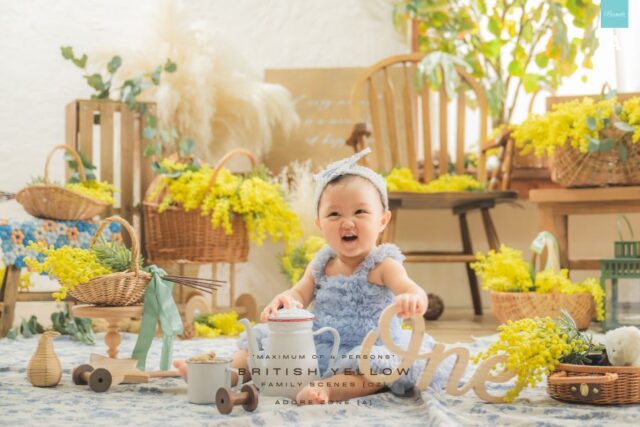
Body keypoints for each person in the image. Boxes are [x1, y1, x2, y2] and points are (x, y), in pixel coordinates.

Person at [174, 147, 452, 403]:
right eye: (334, 214)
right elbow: (299, 292)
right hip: (319, 342)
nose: (347, 222)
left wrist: (413, 300)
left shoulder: (383, 265)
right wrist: (286, 300)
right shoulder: (322, 264)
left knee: (372, 372)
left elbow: (411, 288)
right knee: (260, 348)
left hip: (369, 346)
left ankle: (327, 388)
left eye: (360, 212)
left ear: (382, 220)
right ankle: (221, 376)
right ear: (319, 224)